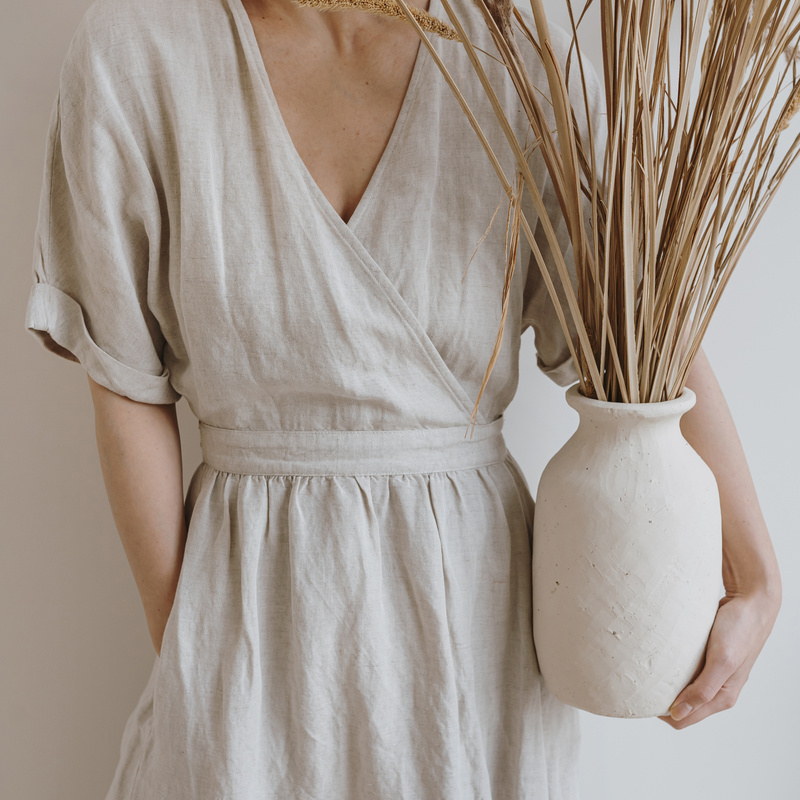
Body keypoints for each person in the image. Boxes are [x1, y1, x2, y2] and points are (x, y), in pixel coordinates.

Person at [23, 0, 781, 797]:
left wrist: (755, 571)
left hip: (471, 631)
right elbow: (125, 378)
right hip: (246, 609)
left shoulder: (521, 54)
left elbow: (640, 338)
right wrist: (195, 647)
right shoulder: (137, 51)